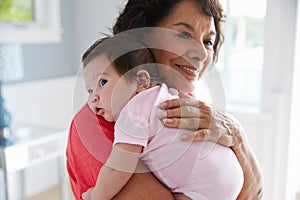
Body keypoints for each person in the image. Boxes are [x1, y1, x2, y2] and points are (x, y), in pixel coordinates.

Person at [66, 0, 263, 199]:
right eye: (183, 35)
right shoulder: (97, 122)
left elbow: (256, 194)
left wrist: (237, 135)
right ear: (141, 36)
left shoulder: (181, 103)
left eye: (208, 42)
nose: (202, 54)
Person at [80, 35, 244, 200]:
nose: (93, 98)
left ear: (141, 80)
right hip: (231, 171)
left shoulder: (133, 113)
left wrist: (95, 195)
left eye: (102, 82)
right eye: (90, 90)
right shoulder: (165, 93)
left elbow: (118, 169)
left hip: (202, 188)